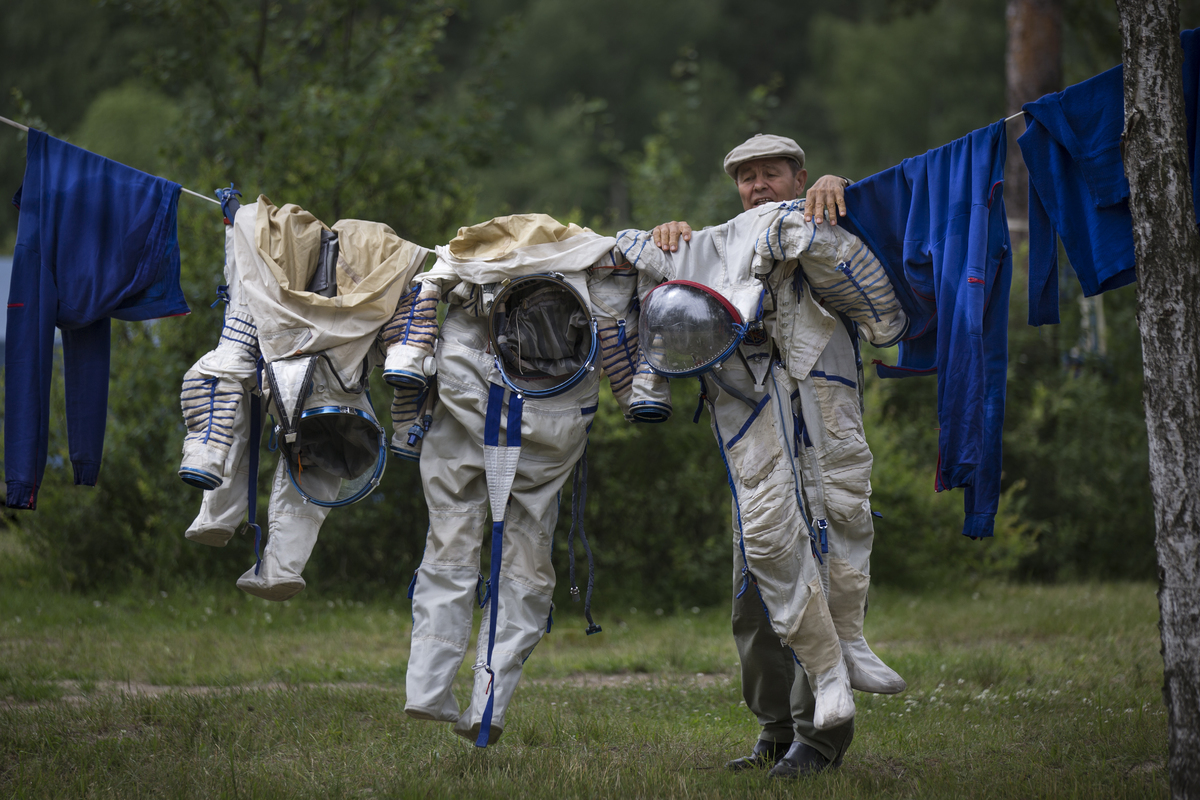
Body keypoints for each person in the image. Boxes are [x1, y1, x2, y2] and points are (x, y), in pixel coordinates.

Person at [631, 134, 907, 778]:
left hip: (824, 445)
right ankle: (774, 728)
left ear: (799, 175)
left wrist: (837, 194)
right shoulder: (714, 250)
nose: (759, 186)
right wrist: (670, 236)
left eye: (772, 173)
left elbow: (882, 309)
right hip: (754, 455)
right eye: (747, 177)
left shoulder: (830, 221)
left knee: (832, 569)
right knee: (753, 595)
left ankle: (819, 739)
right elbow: (656, 296)